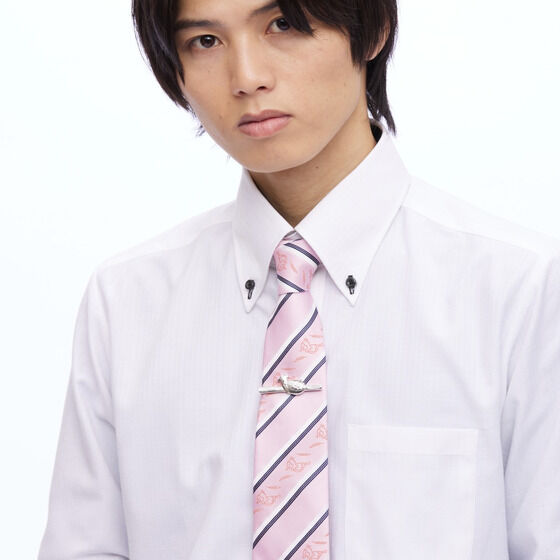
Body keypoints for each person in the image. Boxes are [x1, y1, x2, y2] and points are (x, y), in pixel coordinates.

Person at [37, 0, 560, 558]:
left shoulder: (521, 290)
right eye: (205, 41)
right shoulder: (127, 301)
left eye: (282, 24)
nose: (247, 77)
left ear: (374, 29)